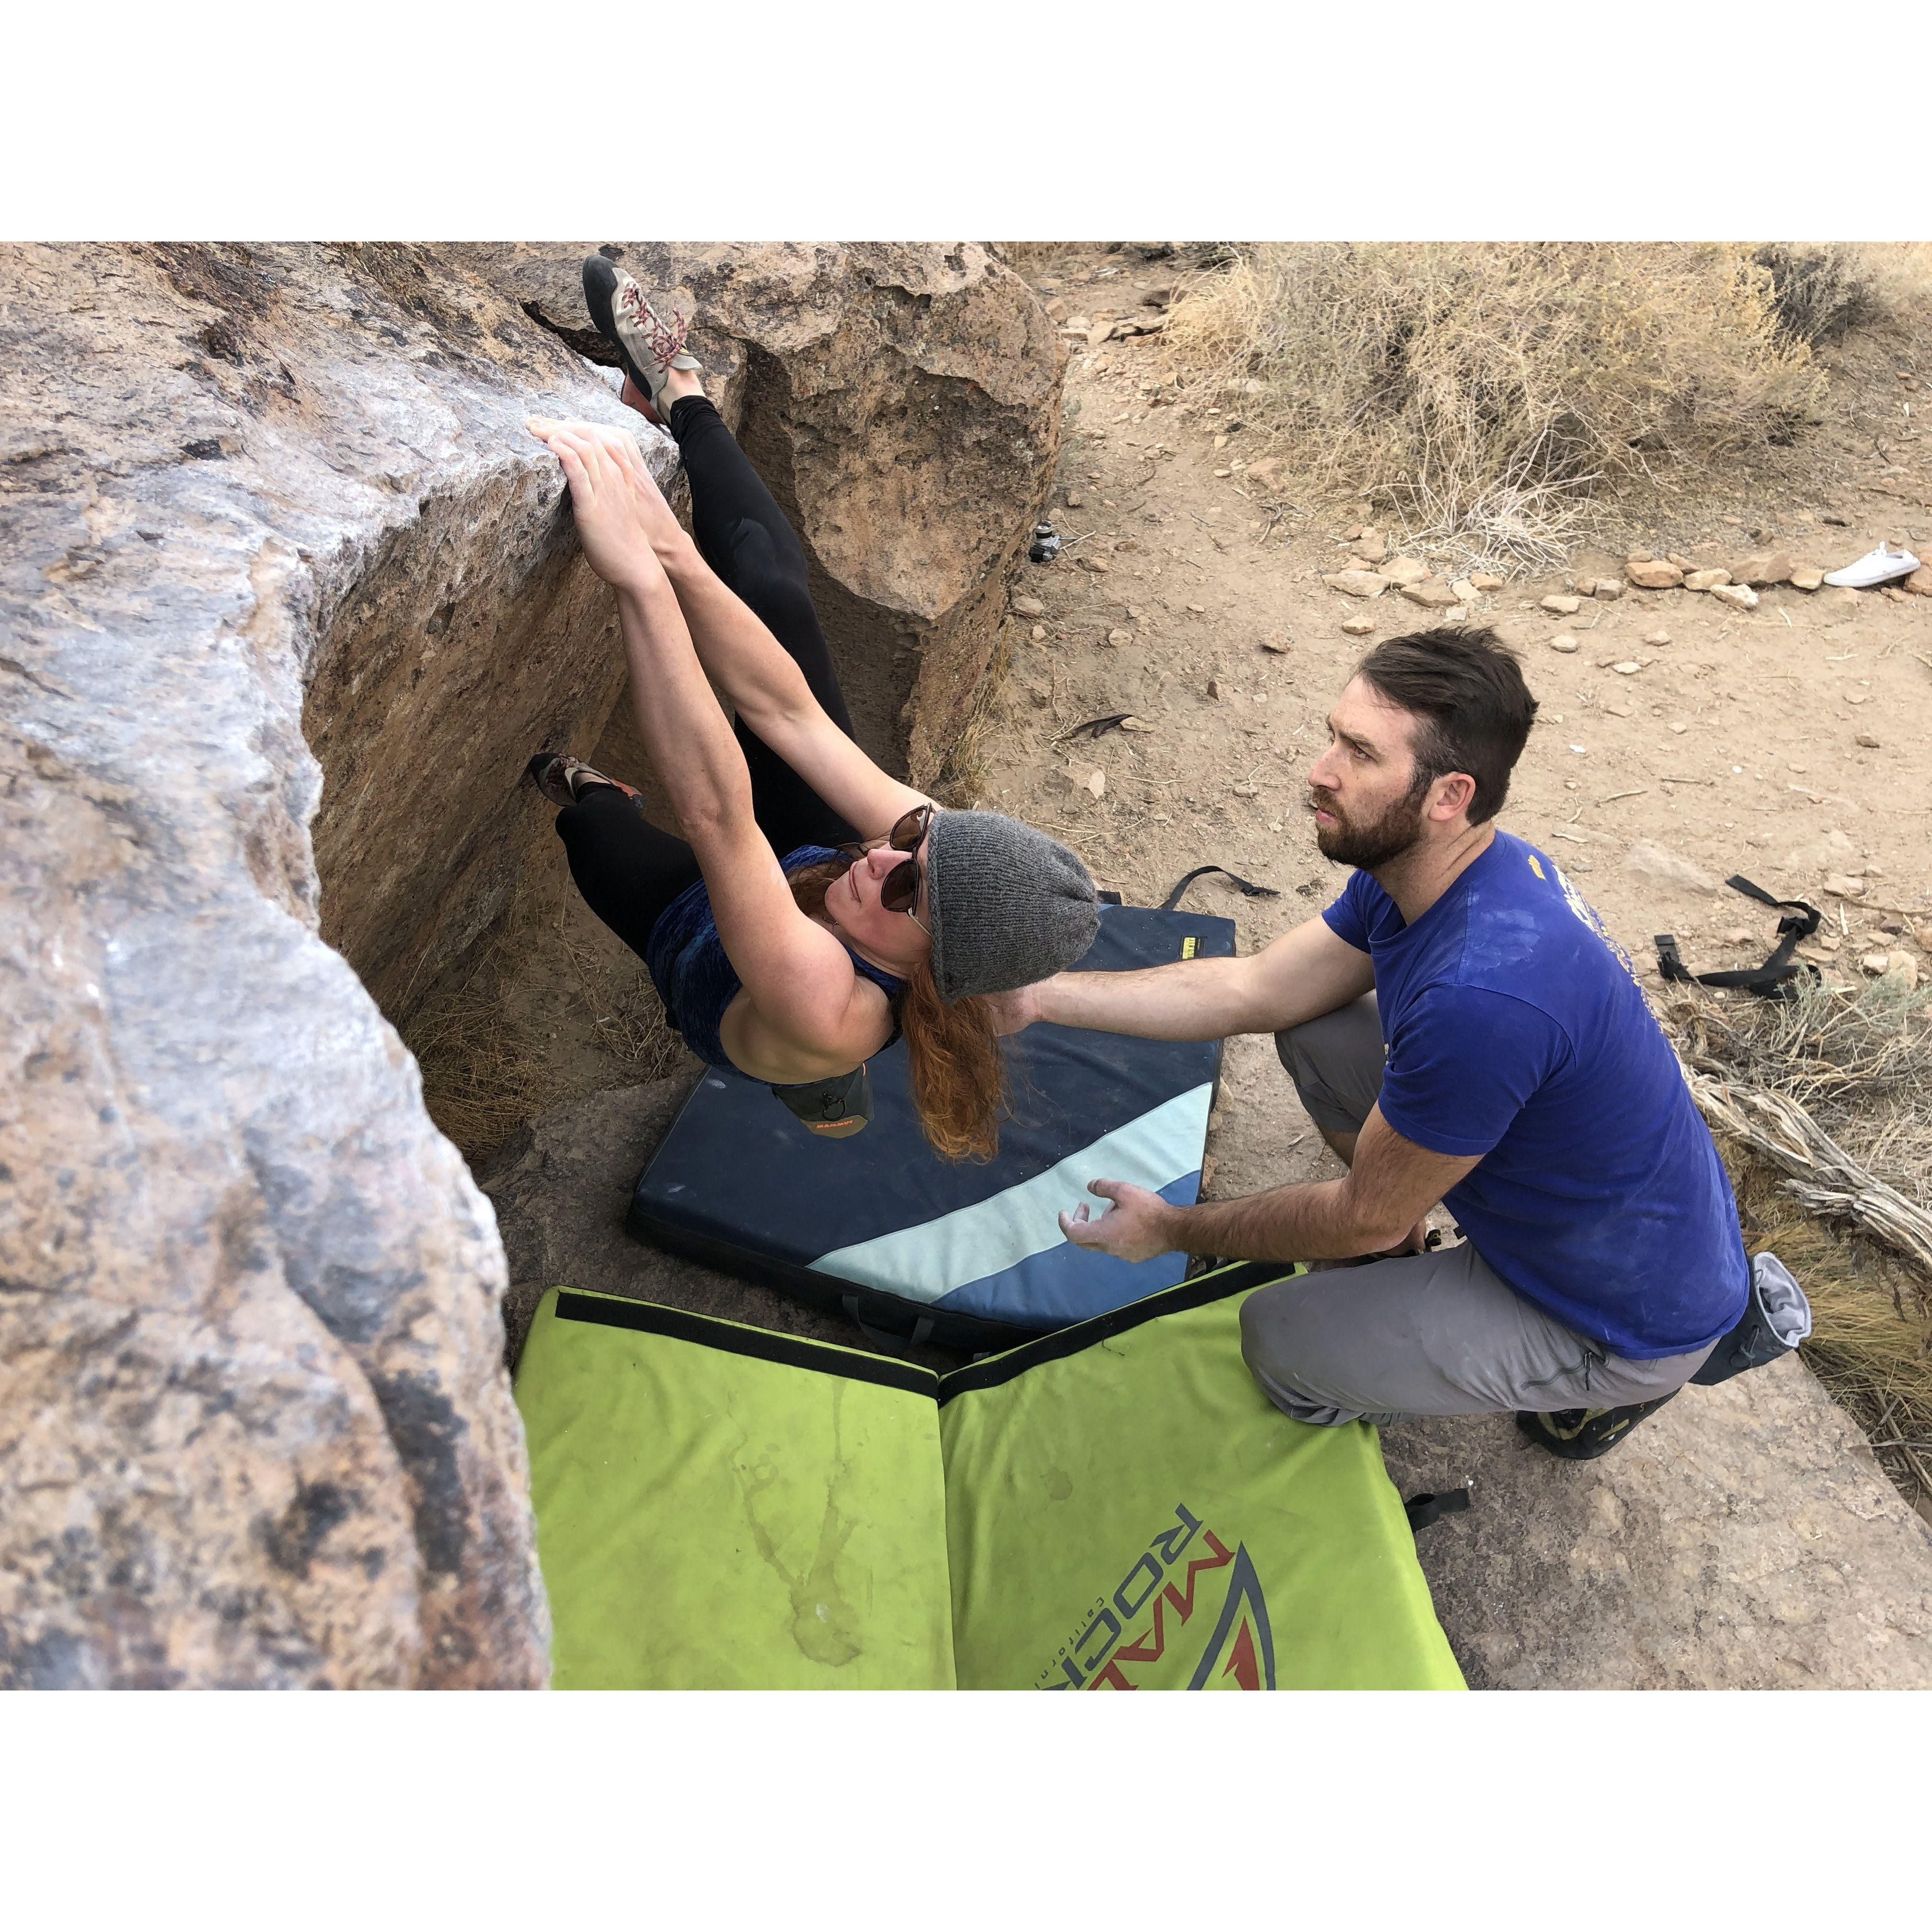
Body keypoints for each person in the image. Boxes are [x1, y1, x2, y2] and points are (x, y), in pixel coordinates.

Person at [991, 626, 1757, 1459]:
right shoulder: (1437, 874)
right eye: (1333, 737)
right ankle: (1409, 1245)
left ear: (1447, 795)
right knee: (1315, 1025)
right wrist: (1036, 998)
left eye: (1358, 752)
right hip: (1577, 1199)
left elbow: (1354, 1218)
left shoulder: (1482, 996)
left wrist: (1172, 1229)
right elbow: (1258, 988)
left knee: (1280, 1339)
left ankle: (1593, 1392)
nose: (1319, 772)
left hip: (1615, 1312)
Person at [526, 258, 1098, 1158]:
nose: (886, 857)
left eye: (907, 885)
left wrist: (635, 579)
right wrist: (674, 551)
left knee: (596, 839)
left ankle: (604, 801)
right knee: (771, 597)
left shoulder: (828, 1003)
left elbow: (721, 820)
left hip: (713, 956)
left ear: (932, 974)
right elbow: (786, 712)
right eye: (916, 841)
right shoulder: (913, 858)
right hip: (792, 871)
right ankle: (680, 393)